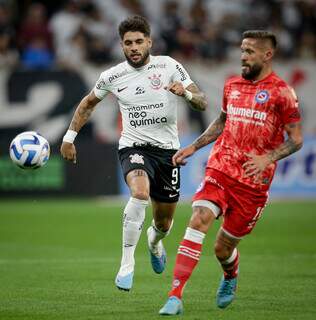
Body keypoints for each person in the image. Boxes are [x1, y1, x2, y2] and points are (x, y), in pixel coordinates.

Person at [159, 30, 303, 315]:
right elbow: (223, 121)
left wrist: (268, 158)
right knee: (199, 218)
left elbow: (296, 139)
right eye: (242, 50)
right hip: (221, 168)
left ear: (267, 55)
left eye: (249, 51)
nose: (243, 57)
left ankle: (230, 275)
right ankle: (174, 296)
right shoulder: (233, 85)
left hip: (252, 185)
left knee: (222, 249)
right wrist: (194, 147)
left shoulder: (282, 93)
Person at [60, 15, 206, 291]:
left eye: (139, 41)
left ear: (149, 42)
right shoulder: (113, 76)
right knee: (139, 193)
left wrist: (185, 94)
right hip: (133, 147)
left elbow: (201, 101)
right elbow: (88, 103)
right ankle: (127, 264)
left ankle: (154, 241)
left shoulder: (170, 66)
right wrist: (69, 137)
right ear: (122, 46)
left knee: (163, 223)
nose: (134, 47)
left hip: (167, 152)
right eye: (128, 43)